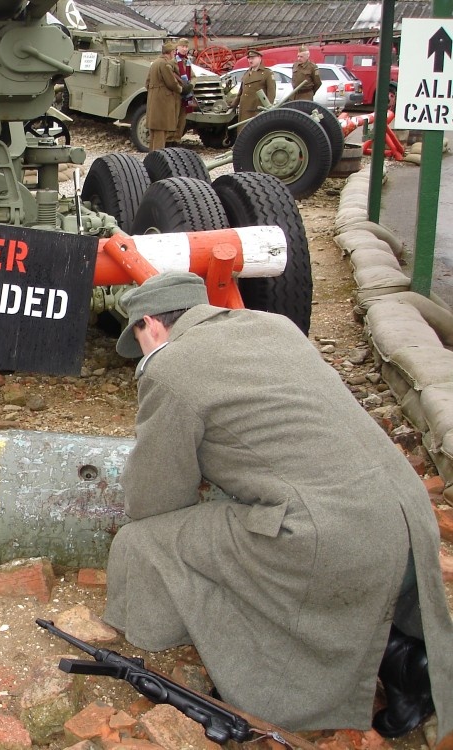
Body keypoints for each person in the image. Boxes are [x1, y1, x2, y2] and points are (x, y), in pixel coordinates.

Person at [103, 272, 453, 740]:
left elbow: (155, 497)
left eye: (139, 338)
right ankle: (405, 660)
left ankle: (356, 667)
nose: (142, 351)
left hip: (332, 537)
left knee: (147, 542)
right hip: (407, 519)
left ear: (150, 323)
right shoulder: (275, 325)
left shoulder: (170, 367)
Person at [146, 41, 188, 151]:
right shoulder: (165, 64)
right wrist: (181, 89)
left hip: (153, 101)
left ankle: (152, 156)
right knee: (161, 133)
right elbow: (171, 83)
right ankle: (158, 158)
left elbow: (147, 83)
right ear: (170, 52)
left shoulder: (155, 63)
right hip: (163, 102)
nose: (174, 54)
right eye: (174, 52)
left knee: (154, 134)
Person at [229, 49, 276, 123]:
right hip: (244, 109)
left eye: (253, 58)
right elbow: (240, 93)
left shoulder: (267, 73)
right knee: (243, 128)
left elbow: (271, 93)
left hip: (256, 110)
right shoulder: (247, 73)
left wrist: (268, 109)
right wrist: (233, 105)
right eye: (249, 58)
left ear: (259, 58)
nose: (250, 61)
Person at [168, 38, 196, 145]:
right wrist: (180, 86)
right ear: (177, 47)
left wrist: (191, 85)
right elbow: (169, 76)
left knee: (182, 120)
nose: (185, 49)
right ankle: (169, 140)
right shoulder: (173, 61)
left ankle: (177, 140)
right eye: (182, 47)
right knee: (173, 119)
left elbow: (193, 77)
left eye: (186, 47)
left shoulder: (187, 61)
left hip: (185, 96)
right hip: (175, 94)